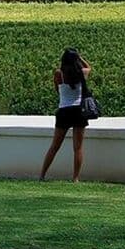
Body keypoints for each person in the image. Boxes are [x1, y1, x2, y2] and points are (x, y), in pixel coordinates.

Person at [39, 47, 92, 182]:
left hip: (64, 111)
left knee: (55, 146)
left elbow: (57, 90)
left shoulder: (59, 73)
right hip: (79, 111)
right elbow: (89, 68)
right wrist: (79, 58)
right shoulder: (82, 73)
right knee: (78, 148)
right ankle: (75, 178)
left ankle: (42, 175)